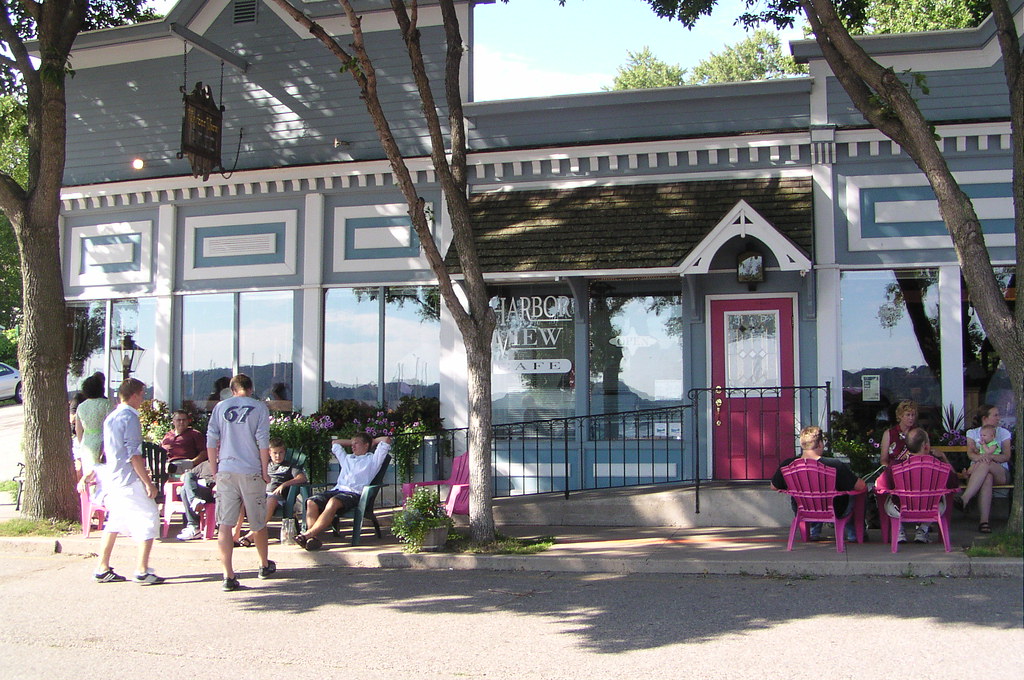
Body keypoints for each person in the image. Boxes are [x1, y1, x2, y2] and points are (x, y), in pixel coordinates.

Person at [92, 378, 164, 585]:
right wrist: (148, 482)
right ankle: (142, 569)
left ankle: (102, 566)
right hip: (129, 478)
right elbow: (134, 454)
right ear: (134, 395)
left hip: (113, 477)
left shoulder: (112, 417)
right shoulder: (130, 418)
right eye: (142, 394)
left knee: (115, 521)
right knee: (149, 517)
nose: (143, 399)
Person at [207, 373, 275, 591]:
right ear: (251, 389)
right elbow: (263, 441)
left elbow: (211, 439)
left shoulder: (220, 408)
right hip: (250, 469)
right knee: (258, 522)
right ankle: (263, 564)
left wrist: (214, 469)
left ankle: (228, 574)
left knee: (225, 524)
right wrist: (265, 470)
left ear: (231, 389)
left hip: (226, 469)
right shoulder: (259, 408)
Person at [294, 432, 391, 551]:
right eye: (352, 443)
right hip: (337, 490)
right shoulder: (347, 458)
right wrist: (354, 440)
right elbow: (335, 443)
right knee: (311, 502)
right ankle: (311, 538)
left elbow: (386, 439)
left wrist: (372, 441)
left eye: (356, 444)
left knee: (333, 502)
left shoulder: (373, 460)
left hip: (354, 493)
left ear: (366, 445)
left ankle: (307, 534)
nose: (352, 446)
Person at [771, 425, 866, 543]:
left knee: (807, 496)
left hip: (803, 509)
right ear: (820, 444)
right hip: (835, 510)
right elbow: (861, 486)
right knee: (854, 494)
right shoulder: (835, 465)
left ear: (802, 444)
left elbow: (774, 486)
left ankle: (813, 531)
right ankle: (854, 534)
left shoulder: (788, 464)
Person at [877, 427, 958, 543]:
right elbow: (954, 483)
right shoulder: (938, 465)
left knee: (889, 498)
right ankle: (922, 530)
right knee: (938, 499)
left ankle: (899, 530)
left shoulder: (896, 466)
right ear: (925, 446)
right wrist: (944, 458)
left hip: (902, 509)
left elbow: (881, 486)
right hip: (932, 509)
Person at [237, 437, 307, 546]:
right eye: (275, 453)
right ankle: (236, 532)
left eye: (281, 453)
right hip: (260, 494)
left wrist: (284, 484)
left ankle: (252, 534)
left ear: (285, 452)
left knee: (271, 499)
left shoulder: (290, 466)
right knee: (240, 498)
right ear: (269, 453)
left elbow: (302, 478)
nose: (278, 456)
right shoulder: (265, 465)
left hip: (277, 498)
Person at [959, 404, 1012, 534]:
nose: (998, 418)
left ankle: (965, 498)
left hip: (1000, 472)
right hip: (980, 473)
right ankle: (984, 522)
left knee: (986, 464)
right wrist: (984, 458)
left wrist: (988, 457)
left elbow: (1006, 456)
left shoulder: (1003, 433)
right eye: (995, 415)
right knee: (987, 477)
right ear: (985, 418)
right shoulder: (972, 433)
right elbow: (970, 453)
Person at [75, 373, 112, 489]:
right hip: (103, 440)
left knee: (89, 475)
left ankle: (91, 499)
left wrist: (82, 443)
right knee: (103, 474)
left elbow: (78, 429)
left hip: (87, 442)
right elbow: (112, 425)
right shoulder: (106, 404)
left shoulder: (81, 406)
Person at [175, 459, 215, 541]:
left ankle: (193, 526)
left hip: (211, 492)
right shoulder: (204, 464)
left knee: (184, 489)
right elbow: (184, 477)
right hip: (198, 492)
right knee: (187, 480)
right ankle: (195, 500)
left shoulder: (223, 464)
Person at [161, 410, 207, 476]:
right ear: (174, 422)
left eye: (184, 420)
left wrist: (192, 463)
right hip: (168, 464)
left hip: (185, 465)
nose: (181, 422)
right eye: (179, 420)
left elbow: (204, 452)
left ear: (188, 421)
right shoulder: (168, 435)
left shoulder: (195, 434)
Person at [878, 399, 920, 467]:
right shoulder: (889, 434)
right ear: (900, 416)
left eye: (913, 415)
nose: (911, 418)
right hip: (893, 472)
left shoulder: (918, 433)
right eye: (908, 415)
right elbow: (883, 460)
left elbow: (922, 455)